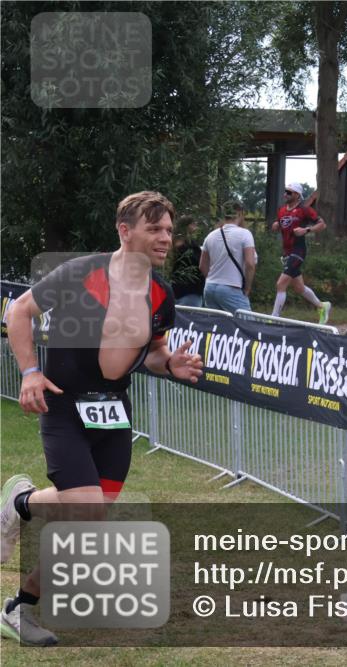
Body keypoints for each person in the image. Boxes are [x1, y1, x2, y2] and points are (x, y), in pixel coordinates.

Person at [0, 191, 204, 645]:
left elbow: (154, 352)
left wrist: (170, 363)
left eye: (169, 230)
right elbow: (19, 311)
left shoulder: (161, 294)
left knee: (85, 522)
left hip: (114, 415)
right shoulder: (82, 272)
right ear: (124, 231)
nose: (165, 238)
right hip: (65, 406)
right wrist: (30, 373)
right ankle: (20, 608)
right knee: (88, 514)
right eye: (154, 228)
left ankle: (21, 507)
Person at [269, 182, 331, 324]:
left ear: (297, 195)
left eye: (289, 192)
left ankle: (274, 319)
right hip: (287, 252)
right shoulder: (282, 210)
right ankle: (322, 306)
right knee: (299, 287)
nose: (285, 194)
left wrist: (306, 230)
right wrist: (276, 225)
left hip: (298, 251)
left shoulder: (304, 209)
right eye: (285, 191)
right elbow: (280, 224)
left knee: (281, 284)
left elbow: (322, 224)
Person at [200, 200, 256, 314]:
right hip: (231, 287)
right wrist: (247, 288)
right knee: (247, 321)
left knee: (216, 323)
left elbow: (202, 266)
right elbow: (250, 264)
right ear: (240, 213)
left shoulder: (210, 236)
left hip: (210, 287)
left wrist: (213, 279)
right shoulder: (245, 234)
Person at [171, 215, 204, 307]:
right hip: (191, 288)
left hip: (176, 286)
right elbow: (198, 262)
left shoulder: (174, 241)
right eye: (193, 224)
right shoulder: (189, 245)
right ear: (187, 226)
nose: (195, 226)